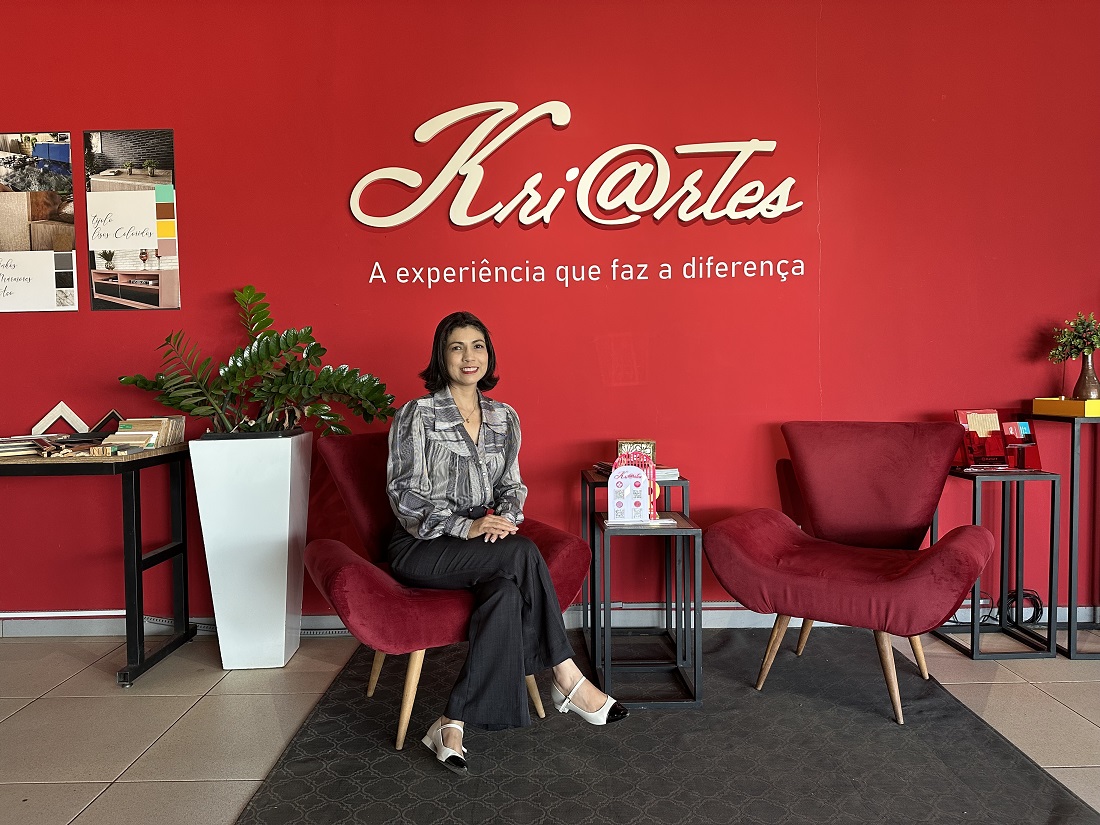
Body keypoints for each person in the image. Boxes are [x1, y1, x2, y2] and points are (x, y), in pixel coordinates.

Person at [386, 310, 628, 775]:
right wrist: (468, 527)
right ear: (441, 356)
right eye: (457, 347)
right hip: (423, 545)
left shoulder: (504, 416)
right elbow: (404, 496)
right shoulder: (417, 414)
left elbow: (512, 487)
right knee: (522, 553)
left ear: (489, 355)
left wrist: (503, 521)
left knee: (505, 594)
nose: (469, 356)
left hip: (484, 548)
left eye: (477, 346)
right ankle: (565, 674)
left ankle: (450, 723)